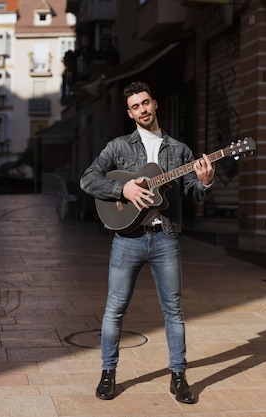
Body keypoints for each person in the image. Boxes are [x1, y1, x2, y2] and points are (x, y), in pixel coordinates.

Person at [79, 81, 215, 404]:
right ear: (130, 113)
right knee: (114, 309)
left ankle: (179, 376)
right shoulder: (118, 148)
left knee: (174, 311)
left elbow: (192, 192)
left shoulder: (180, 151)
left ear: (155, 104)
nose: (142, 109)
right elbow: (88, 179)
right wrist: (122, 191)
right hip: (127, 239)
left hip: (165, 237)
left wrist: (206, 182)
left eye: (145, 103)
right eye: (135, 106)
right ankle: (108, 373)